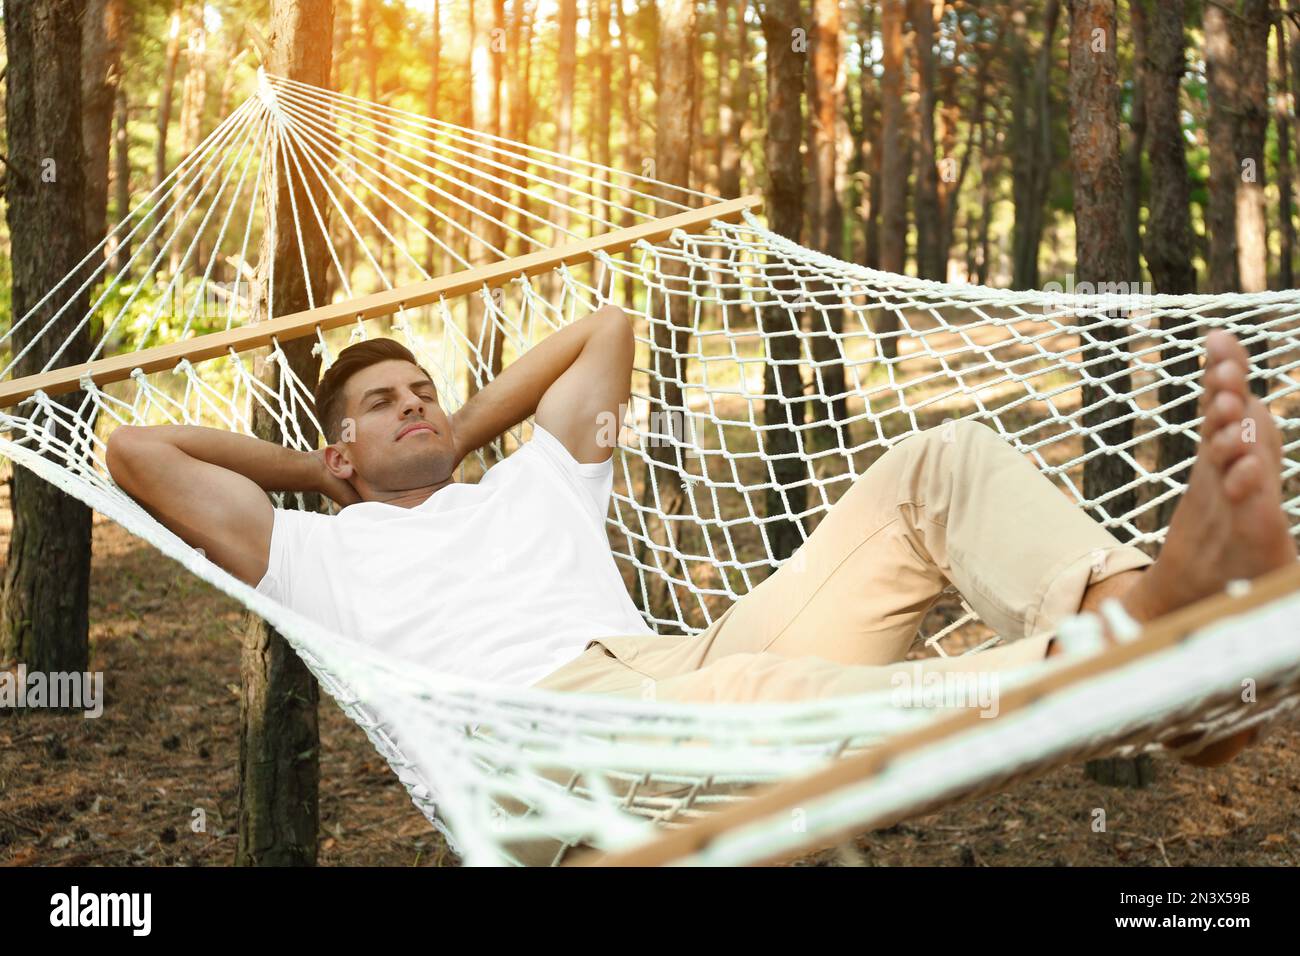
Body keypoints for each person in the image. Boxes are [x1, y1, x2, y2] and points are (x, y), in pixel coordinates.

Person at [106, 305, 1293, 781]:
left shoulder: (535, 486)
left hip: (678, 655)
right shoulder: (314, 553)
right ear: (340, 453)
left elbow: (605, 330)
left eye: (428, 388)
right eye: (382, 402)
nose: (415, 401)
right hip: (552, 737)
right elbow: (136, 450)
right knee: (760, 692)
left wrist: (458, 427)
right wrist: (322, 475)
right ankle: (1131, 660)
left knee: (937, 462)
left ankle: (1136, 611)